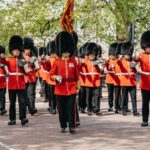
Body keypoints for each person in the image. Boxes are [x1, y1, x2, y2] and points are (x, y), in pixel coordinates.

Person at [49, 31, 79, 134]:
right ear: (61, 51)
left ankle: (72, 126)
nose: (66, 52)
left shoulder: (73, 62)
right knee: (61, 109)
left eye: (68, 51)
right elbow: (50, 75)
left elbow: (77, 76)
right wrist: (55, 77)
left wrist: (77, 86)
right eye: (64, 51)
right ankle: (63, 125)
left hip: (71, 88)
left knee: (71, 108)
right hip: (60, 89)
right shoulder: (57, 63)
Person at [7, 35, 28, 126]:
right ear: (12, 51)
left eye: (18, 50)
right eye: (15, 50)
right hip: (12, 84)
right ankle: (12, 119)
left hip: (21, 84)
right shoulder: (8, 60)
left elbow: (26, 72)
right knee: (12, 103)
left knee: (22, 102)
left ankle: (23, 118)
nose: (16, 51)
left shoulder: (23, 60)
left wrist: (24, 65)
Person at [80, 42, 103, 115]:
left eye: (93, 54)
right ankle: (89, 109)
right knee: (88, 97)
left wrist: (101, 67)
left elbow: (101, 70)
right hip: (88, 82)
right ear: (88, 54)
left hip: (96, 82)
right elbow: (80, 64)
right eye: (90, 54)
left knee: (97, 96)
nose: (92, 56)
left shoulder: (97, 62)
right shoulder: (85, 61)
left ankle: (97, 109)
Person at [135, 30, 150, 127]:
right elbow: (134, 64)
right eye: (147, 47)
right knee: (145, 104)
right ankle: (145, 120)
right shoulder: (141, 55)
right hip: (145, 83)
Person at [120, 42, 139, 116]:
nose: (127, 56)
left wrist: (134, 66)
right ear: (124, 54)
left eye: (128, 54)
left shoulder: (132, 62)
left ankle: (135, 110)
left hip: (132, 82)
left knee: (133, 97)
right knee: (124, 97)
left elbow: (136, 71)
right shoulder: (121, 61)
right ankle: (124, 110)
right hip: (124, 82)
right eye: (126, 55)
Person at [23, 37, 38, 115]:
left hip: (32, 78)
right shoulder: (21, 57)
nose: (28, 51)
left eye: (29, 49)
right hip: (24, 78)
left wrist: (36, 68)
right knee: (24, 94)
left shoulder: (33, 58)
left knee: (31, 93)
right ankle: (27, 107)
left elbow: (36, 67)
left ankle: (32, 109)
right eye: (27, 49)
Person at [0, 45, 7, 115]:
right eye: (2, 53)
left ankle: (2, 108)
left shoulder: (4, 61)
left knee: (2, 95)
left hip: (3, 82)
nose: (3, 55)